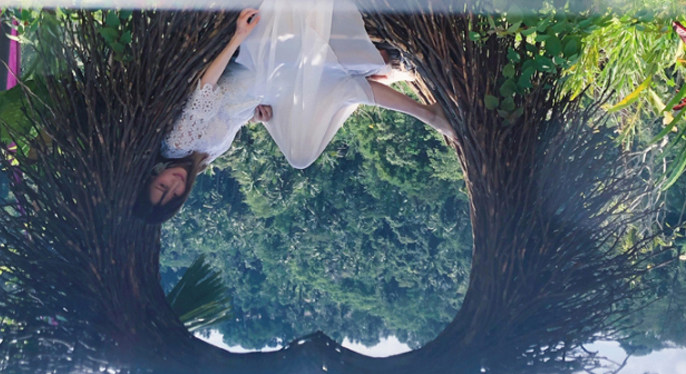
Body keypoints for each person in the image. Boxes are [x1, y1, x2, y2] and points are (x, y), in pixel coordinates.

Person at [135, 2, 453, 224]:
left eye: (162, 187)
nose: (174, 185)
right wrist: (254, 116)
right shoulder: (199, 161)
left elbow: (206, 90)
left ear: (153, 176)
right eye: (174, 195)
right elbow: (226, 117)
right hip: (264, 92)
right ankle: (401, 90)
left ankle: (425, 111)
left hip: (258, 67)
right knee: (300, 150)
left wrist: (238, 37)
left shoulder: (177, 145)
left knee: (323, 96)